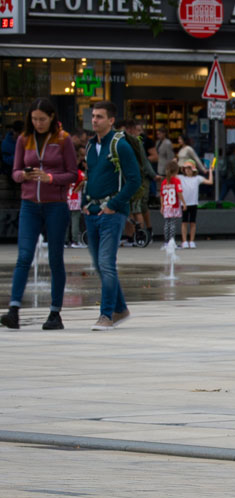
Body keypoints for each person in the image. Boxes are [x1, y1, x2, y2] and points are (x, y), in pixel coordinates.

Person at [0, 98, 77, 331]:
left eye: (42, 119)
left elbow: (73, 174)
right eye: (34, 119)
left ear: (52, 117)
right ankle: (13, 310)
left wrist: (51, 178)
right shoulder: (24, 139)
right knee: (24, 256)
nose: (38, 123)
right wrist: (22, 175)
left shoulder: (63, 140)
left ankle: (55, 312)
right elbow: (14, 171)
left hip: (55, 205)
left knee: (55, 259)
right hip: (29, 205)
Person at [82, 100, 140, 330]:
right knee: (99, 264)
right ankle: (121, 309)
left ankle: (106, 315)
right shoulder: (90, 146)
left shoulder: (120, 145)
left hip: (112, 212)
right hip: (92, 211)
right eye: (93, 116)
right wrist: (85, 202)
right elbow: (90, 176)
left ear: (111, 120)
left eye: (100, 116)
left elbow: (134, 180)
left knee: (106, 263)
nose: (95, 120)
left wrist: (114, 204)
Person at [121, 119, 157, 245]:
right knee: (131, 209)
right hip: (131, 179)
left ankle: (139, 235)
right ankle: (133, 236)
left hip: (135, 179)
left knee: (136, 208)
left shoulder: (136, 142)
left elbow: (145, 161)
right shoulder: (128, 142)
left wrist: (152, 175)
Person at [177, 159, 212, 248]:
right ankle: (184, 241)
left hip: (194, 203)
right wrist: (175, 163)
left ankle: (192, 241)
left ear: (193, 169)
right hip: (184, 204)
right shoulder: (180, 177)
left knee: (193, 223)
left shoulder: (197, 178)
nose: (187, 170)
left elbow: (210, 182)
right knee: (184, 222)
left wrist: (210, 171)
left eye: (189, 168)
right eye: (186, 168)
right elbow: (171, 175)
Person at [160, 160, 184, 247]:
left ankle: (166, 241)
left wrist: (162, 206)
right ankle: (172, 241)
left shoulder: (164, 182)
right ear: (176, 171)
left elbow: (162, 195)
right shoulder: (176, 181)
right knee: (173, 223)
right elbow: (179, 192)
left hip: (166, 205)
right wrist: (184, 203)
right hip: (174, 205)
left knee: (167, 223)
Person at [218, 142, 235, 209]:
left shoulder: (226, 157)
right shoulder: (233, 158)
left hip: (226, 178)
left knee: (223, 193)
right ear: (234, 149)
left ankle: (218, 205)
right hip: (232, 179)